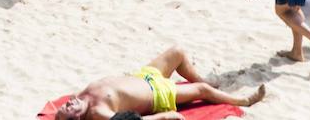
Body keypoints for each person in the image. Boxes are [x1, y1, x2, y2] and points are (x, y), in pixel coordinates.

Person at [54, 47, 264, 120]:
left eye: (66, 105)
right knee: (203, 91)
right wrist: (165, 116)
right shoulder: (98, 113)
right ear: (78, 118)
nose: (69, 104)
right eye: (68, 110)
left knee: (177, 52)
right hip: (156, 93)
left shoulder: (80, 98)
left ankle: (204, 80)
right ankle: (243, 100)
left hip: (142, 77)